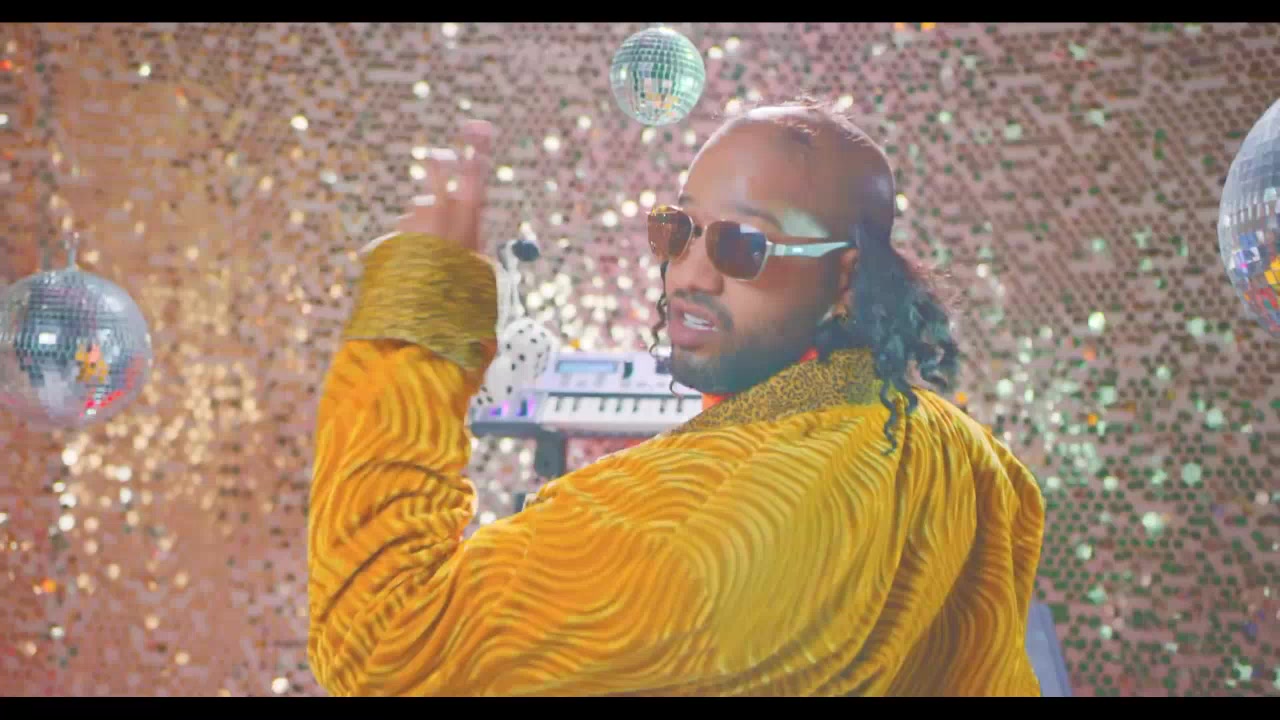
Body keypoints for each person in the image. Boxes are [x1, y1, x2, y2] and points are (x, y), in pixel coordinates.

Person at [306, 99, 1046, 696]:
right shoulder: (970, 459)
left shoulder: (696, 537)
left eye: (742, 246)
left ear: (844, 279)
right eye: (678, 230)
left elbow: (381, 644)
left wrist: (418, 323)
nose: (689, 274)